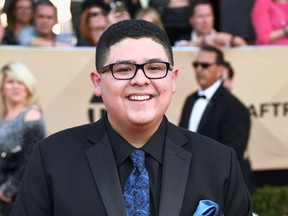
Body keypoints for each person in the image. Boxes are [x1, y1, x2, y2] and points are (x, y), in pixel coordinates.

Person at [11, 20, 252, 215]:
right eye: (123, 69)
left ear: (173, 79)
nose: (140, 80)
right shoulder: (51, 159)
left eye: (155, 68)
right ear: (98, 82)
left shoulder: (219, 162)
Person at [179, 45, 255, 195]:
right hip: (189, 182)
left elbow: (231, 153)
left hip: (221, 186)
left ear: (220, 70)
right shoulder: (190, 100)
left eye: (205, 65)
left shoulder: (235, 107)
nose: (199, 69)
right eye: (196, 65)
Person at [0, 61, 46, 215]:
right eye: (10, 81)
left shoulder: (32, 115)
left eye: (20, 82)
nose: (15, 86)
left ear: (28, 87)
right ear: (2, 86)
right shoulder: (3, 119)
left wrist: (7, 191)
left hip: (14, 200)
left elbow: (31, 160)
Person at [175, 0, 247, 49]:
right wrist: (202, 41)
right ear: (191, 20)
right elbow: (179, 48)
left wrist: (232, 39)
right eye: (200, 16)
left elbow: (244, 47)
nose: (205, 20)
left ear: (213, 18)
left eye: (208, 15)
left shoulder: (222, 39)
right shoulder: (183, 40)